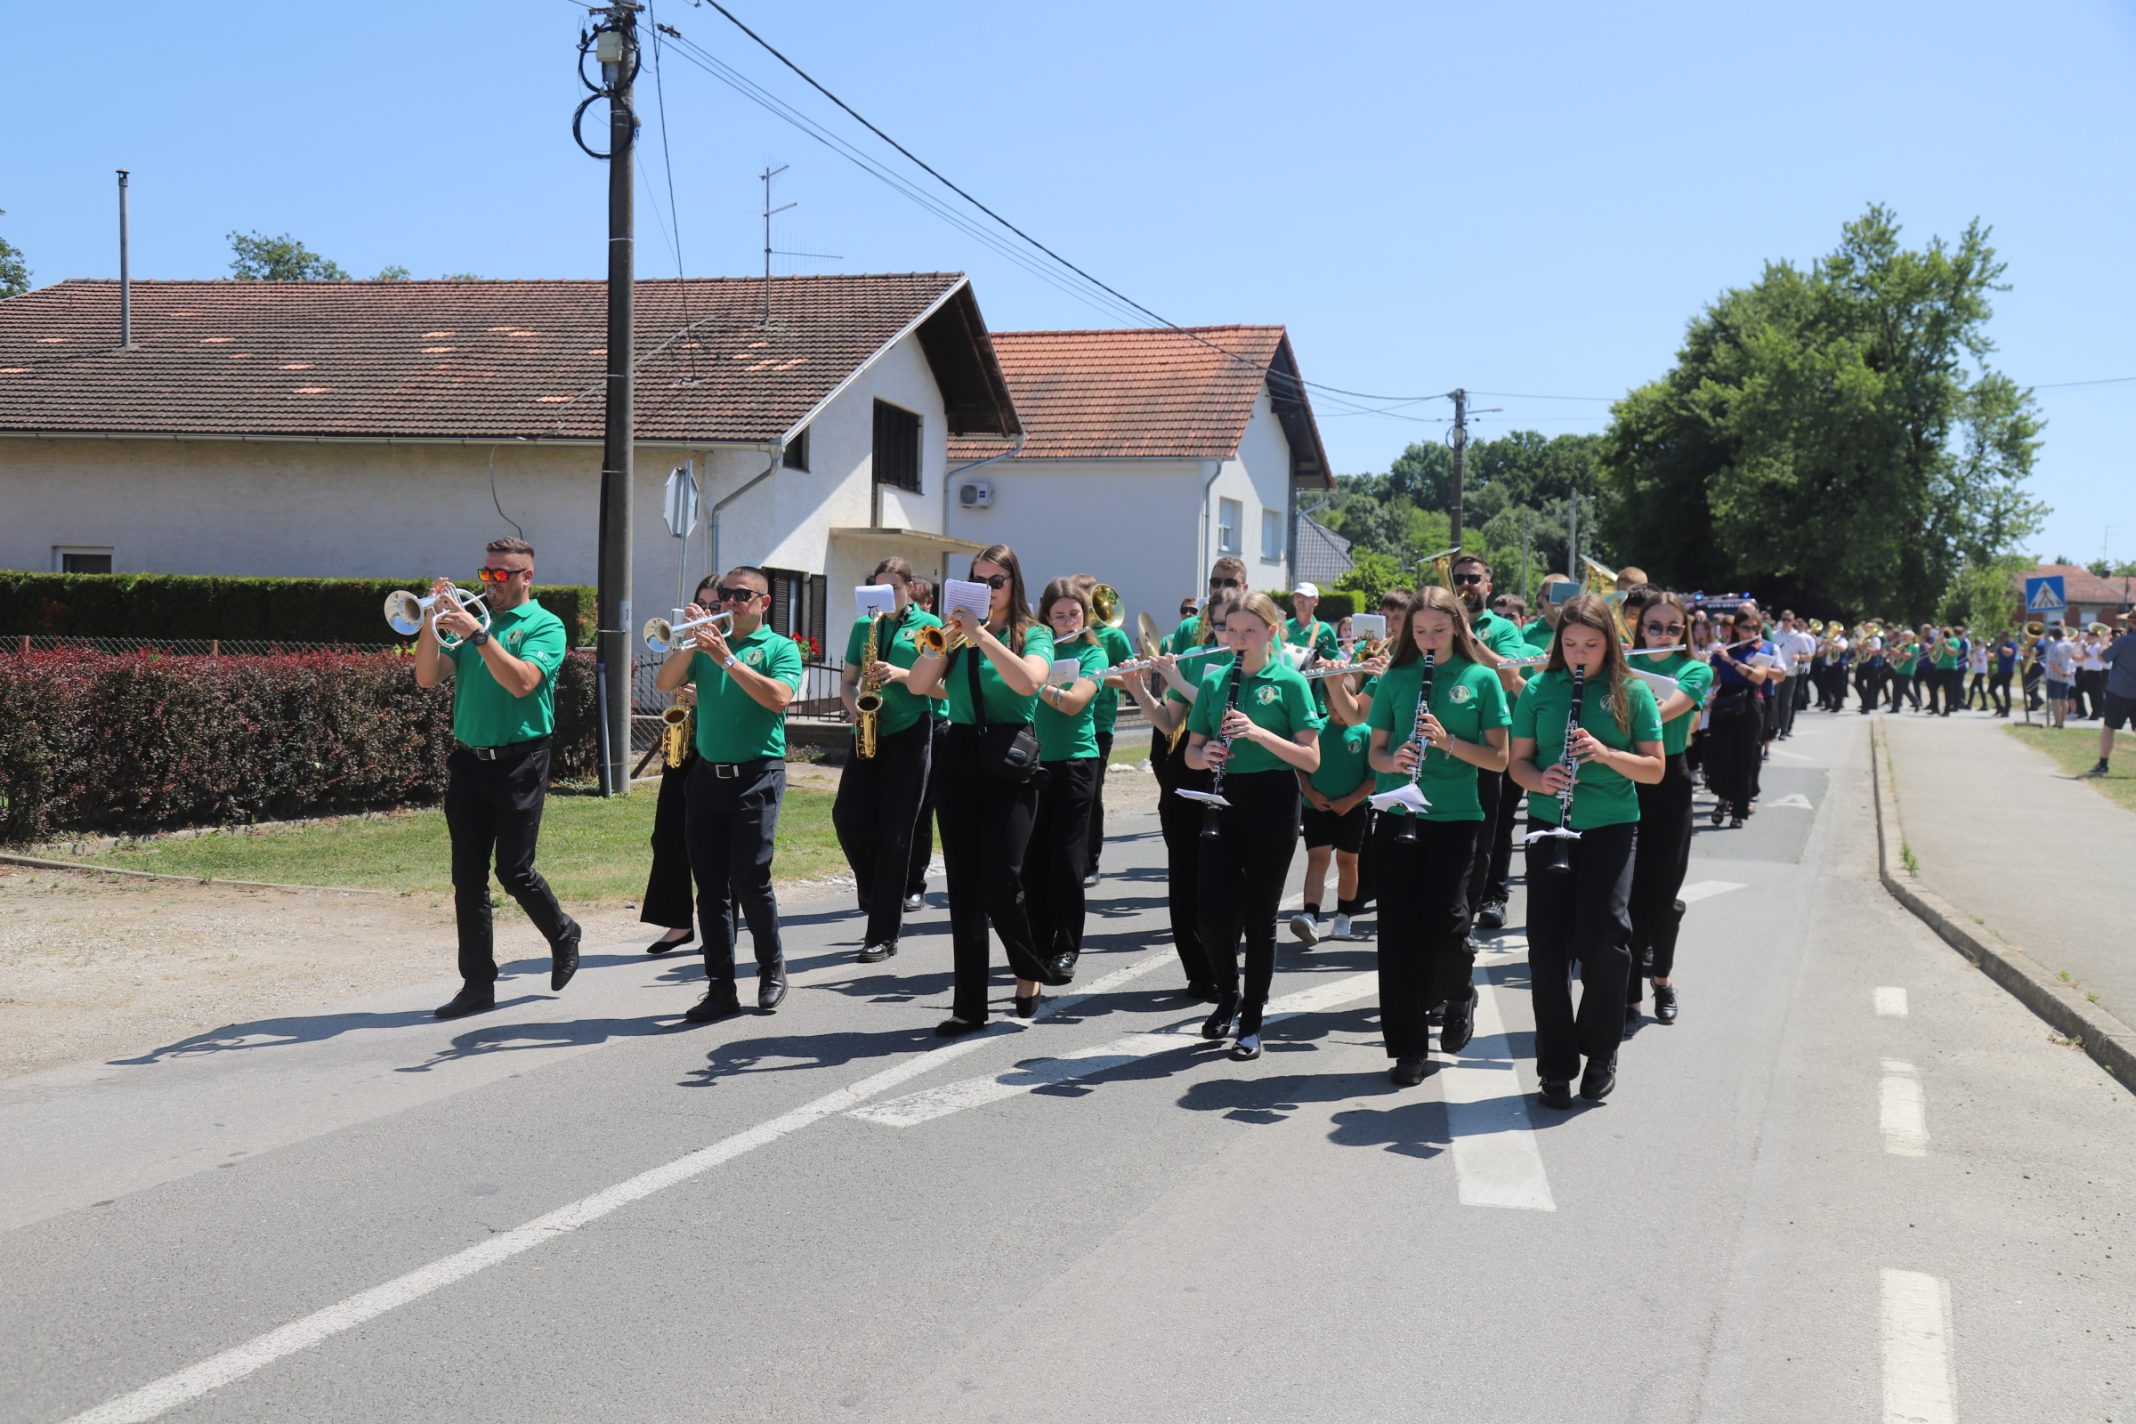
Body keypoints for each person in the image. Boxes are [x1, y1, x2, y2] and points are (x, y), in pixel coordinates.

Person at [414, 537, 582, 1020]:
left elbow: (523, 683)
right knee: (467, 878)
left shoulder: (545, 625)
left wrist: (479, 636)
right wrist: (430, 621)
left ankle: (563, 933)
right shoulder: (473, 621)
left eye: (501, 574)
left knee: (514, 871)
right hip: (469, 761)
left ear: (527, 577)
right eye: (486, 573)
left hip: (520, 761)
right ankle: (477, 985)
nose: (490, 582)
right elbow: (427, 677)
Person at [1508, 593, 1665, 1108]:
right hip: (1550, 826)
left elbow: (1654, 769)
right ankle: (1555, 1066)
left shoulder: (1631, 692)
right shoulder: (1539, 688)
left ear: (1609, 645)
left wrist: (1606, 753)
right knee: (1547, 949)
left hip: (1611, 827)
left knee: (1606, 941)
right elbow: (1517, 764)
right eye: (1571, 643)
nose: (1579, 654)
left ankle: (1601, 1052)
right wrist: (1542, 781)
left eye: (1590, 645)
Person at [904, 544, 1064, 1032]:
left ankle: (1027, 967)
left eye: (996, 582)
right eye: (978, 581)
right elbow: (917, 685)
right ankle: (969, 1006)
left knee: (1001, 877)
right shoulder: (954, 634)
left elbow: (1029, 683)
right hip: (960, 754)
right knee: (964, 887)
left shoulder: (1034, 633)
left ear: (1014, 584)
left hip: (1011, 757)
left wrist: (982, 635)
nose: (987, 590)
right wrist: (943, 641)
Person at [1365, 587, 1511, 1086]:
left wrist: (1447, 741)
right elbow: (1376, 753)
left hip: (1456, 817)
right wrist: (1394, 760)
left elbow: (1499, 759)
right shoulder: (1396, 677)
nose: (1429, 639)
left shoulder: (1480, 678)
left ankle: (1459, 993)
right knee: (1398, 935)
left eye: (1439, 630)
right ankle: (1408, 1049)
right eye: (1420, 631)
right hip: (1398, 813)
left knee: (1449, 926)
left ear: (1458, 629)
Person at [656, 566, 803, 1023]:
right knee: (711, 888)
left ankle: (771, 969)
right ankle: (721, 988)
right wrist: (690, 640)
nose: (732, 602)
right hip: (706, 776)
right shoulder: (704, 644)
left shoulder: (780, 647)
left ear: (763, 602)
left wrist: (727, 659)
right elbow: (664, 683)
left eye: (742, 595)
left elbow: (779, 698)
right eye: (726, 595)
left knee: (751, 878)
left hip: (758, 773)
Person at [1183, 592, 1322, 1061]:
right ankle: (1229, 995)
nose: (1238, 640)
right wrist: (1205, 754)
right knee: (1209, 915)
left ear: (1271, 632)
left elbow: (1311, 758)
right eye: (1231, 630)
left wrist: (1259, 733)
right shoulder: (1214, 680)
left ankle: (1252, 1023)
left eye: (1249, 631)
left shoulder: (1290, 682)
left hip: (1274, 799)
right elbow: (1191, 750)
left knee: (1260, 917)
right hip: (1224, 797)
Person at [1123, 589, 1239, 1000]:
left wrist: (1177, 681)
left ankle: (1224, 965)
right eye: (1222, 626)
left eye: (1238, 626)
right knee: (1185, 874)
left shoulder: (1254, 663)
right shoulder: (1195, 656)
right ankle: (1198, 970)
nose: (1229, 634)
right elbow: (1169, 721)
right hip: (1188, 766)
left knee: (1225, 875)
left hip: (1234, 769)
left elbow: (1224, 710)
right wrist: (1139, 688)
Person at [833, 557, 942, 965]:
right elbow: (848, 682)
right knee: (846, 817)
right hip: (867, 730)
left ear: (910, 587)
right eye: (878, 586)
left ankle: (882, 934)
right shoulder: (864, 625)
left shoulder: (929, 625)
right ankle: (878, 890)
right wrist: (854, 709)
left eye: (893, 587)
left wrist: (900, 673)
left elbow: (940, 686)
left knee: (897, 834)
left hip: (911, 731)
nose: (887, 594)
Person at [1624, 592, 1713, 1033]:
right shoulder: (1620, 664)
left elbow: (1661, 713)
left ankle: (1662, 980)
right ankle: (1629, 997)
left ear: (1685, 632)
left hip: (1670, 781)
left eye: (1672, 628)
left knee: (1662, 897)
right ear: (1640, 629)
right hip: (1624, 780)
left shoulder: (1695, 669)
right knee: (1627, 898)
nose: (1662, 634)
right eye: (1654, 627)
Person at [1022, 579, 1108, 987]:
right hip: (1034, 760)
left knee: (1068, 861)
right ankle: (1038, 944)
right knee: (1033, 861)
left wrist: (1032, 681)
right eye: (1059, 615)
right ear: (1046, 617)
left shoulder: (1094, 653)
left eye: (1074, 614)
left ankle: (1066, 948)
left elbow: (1074, 704)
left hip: (1077, 762)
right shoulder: (1035, 649)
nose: (1068, 621)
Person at [642, 573, 722, 957]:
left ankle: (718, 925)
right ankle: (679, 922)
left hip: (717, 748)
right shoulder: (688, 640)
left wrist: (703, 696)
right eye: (701, 604)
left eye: (714, 606)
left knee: (713, 845)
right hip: (683, 746)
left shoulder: (731, 645)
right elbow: (665, 683)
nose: (706, 611)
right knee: (668, 836)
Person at [1290, 672, 1374, 947]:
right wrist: (1312, 794)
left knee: (1348, 863)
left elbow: (1373, 777)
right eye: (1334, 706)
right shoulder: (1315, 730)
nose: (1340, 713)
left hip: (1353, 809)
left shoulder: (1365, 731)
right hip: (1317, 807)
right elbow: (1300, 769)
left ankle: (1343, 916)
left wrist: (1351, 800)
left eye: (1345, 705)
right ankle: (1310, 916)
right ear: (1325, 703)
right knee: (1318, 859)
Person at [1073, 573, 1135, 886]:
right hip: (1064, 720)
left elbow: (1131, 679)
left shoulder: (1114, 636)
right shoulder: (1064, 633)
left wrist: (1093, 675)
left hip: (1099, 723)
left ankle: (1090, 862)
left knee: (1091, 793)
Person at [1706, 608, 1777, 827]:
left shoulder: (1763, 648)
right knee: (1722, 756)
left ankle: (1739, 809)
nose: (1752, 632)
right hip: (1725, 702)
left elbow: (1758, 677)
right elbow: (1713, 679)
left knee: (1745, 757)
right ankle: (1721, 801)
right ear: (1736, 628)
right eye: (1746, 627)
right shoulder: (1725, 649)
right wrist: (1709, 664)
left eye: (1756, 628)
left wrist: (1730, 661)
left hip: (1749, 703)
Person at [903, 576, 945, 912]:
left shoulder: (934, 628)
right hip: (901, 723)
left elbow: (941, 683)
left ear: (928, 603)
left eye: (917, 602)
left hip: (937, 721)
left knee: (924, 808)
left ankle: (915, 883)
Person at [2083, 622, 2136, 776]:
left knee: (2109, 728)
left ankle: (2103, 765)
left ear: (2132, 623)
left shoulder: (2124, 641)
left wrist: (2104, 641)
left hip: (2119, 691)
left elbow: (2103, 659)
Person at [2043, 627, 2077, 729]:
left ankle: (2057, 723)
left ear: (2053, 636)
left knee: (2055, 700)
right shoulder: (2069, 645)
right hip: (2066, 675)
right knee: (2064, 700)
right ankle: (2062, 722)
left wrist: (2062, 673)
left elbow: (2054, 665)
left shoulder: (2053, 647)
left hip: (2055, 676)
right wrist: (2066, 673)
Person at [1992, 628, 2018, 718]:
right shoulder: (2001, 646)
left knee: (2006, 691)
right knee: (1991, 689)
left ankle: (2006, 711)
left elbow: (2009, 653)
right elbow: (1994, 656)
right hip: (2000, 671)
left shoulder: (2012, 644)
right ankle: (1999, 707)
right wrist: (1986, 651)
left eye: (2002, 637)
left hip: (2008, 671)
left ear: (2007, 636)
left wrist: (2001, 646)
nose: (2000, 639)